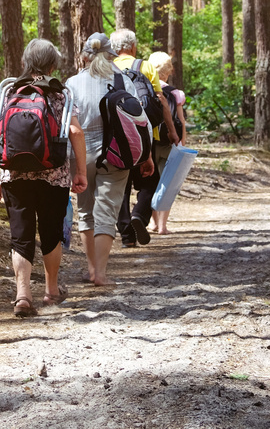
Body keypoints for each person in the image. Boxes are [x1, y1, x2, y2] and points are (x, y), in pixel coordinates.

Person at [0, 39, 88, 317]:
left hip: (14, 174)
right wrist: (81, 172)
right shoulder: (61, 94)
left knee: (20, 235)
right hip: (54, 174)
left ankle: (23, 295)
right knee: (50, 233)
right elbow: (75, 132)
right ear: (53, 64)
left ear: (26, 62)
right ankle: (51, 291)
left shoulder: (9, 90)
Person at [66, 32, 154, 286]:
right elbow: (141, 122)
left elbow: (66, 126)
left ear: (84, 56)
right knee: (107, 211)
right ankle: (100, 274)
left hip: (80, 156)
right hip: (117, 155)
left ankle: (91, 269)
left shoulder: (71, 83)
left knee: (86, 211)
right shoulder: (122, 81)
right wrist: (145, 157)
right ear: (110, 56)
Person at [110, 29, 180, 248]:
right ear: (133, 46)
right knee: (150, 180)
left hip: (115, 137)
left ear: (114, 48)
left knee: (121, 183)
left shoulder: (107, 67)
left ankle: (127, 236)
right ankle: (139, 214)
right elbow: (159, 99)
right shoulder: (144, 66)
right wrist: (171, 130)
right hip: (144, 135)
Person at [148, 51, 188, 235]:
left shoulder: (146, 89)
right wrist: (182, 144)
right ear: (168, 71)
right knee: (167, 184)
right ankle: (163, 226)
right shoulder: (176, 93)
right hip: (170, 143)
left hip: (150, 144)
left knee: (151, 182)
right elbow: (181, 121)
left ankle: (152, 223)